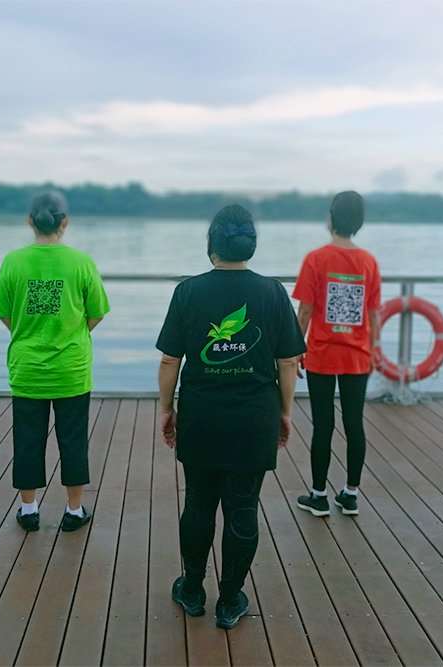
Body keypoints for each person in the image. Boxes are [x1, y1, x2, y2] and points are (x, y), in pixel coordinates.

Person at [157, 204, 306, 629]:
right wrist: (284, 413)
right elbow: (287, 363)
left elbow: (171, 360)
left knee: (199, 504)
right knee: (243, 507)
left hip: (201, 415)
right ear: (251, 246)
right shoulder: (273, 292)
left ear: (210, 244)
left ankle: (191, 588)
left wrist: (168, 409)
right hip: (253, 417)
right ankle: (229, 600)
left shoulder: (188, 291)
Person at [0, 191, 110, 533]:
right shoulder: (81, 262)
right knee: (73, 440)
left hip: (27, 367)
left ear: (30, 221)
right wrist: (70, 332)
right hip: (71, 368)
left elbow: (3, 312)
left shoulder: (13, 261)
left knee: (28, 439)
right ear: (65, 222)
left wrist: (29, 332)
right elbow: (97, 313)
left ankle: (29, 510)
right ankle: (74, 511)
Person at [292, 191, 381, 517]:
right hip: (358, 357)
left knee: (323, 425)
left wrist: (293, 350)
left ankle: (318, 495)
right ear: (359, 222)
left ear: (331, 218)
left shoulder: (316, 259)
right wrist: (374, 352)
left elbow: (304, 312)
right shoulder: (368, 262)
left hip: (322, 355)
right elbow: (373, 315)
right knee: (354, 423)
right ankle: (351, 493)